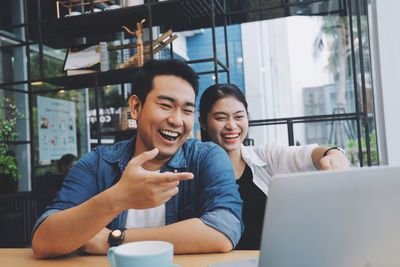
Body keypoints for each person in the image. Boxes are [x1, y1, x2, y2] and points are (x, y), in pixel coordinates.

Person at [32, 59, 243, 258]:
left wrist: (114, 239)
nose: (177, 120)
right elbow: (44, 241)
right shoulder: (98, 163)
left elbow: (224, 229)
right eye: (165, 106)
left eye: (187, 110)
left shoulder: (206, 157)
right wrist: (116, 198)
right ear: (135, 107)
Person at [199, 83, 350, 250]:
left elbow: (308, 154)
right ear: (203, 122)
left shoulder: (266, 156)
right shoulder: (192, 170)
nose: (232, 125)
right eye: (221, 118)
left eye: (239, 116)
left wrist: (334, 154)